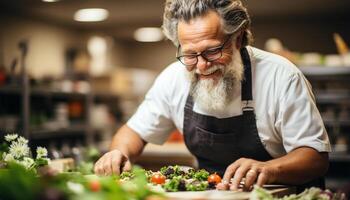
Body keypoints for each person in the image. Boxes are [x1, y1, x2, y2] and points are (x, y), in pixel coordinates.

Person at [94, 0, 331, 191]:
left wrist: (269, 169)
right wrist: (119, 152)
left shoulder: (280, 76)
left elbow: (314, 157)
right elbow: (132, 132)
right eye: (190, 55)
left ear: (237, 39)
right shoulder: (173, 78)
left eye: (212, 51)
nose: (202, 66)